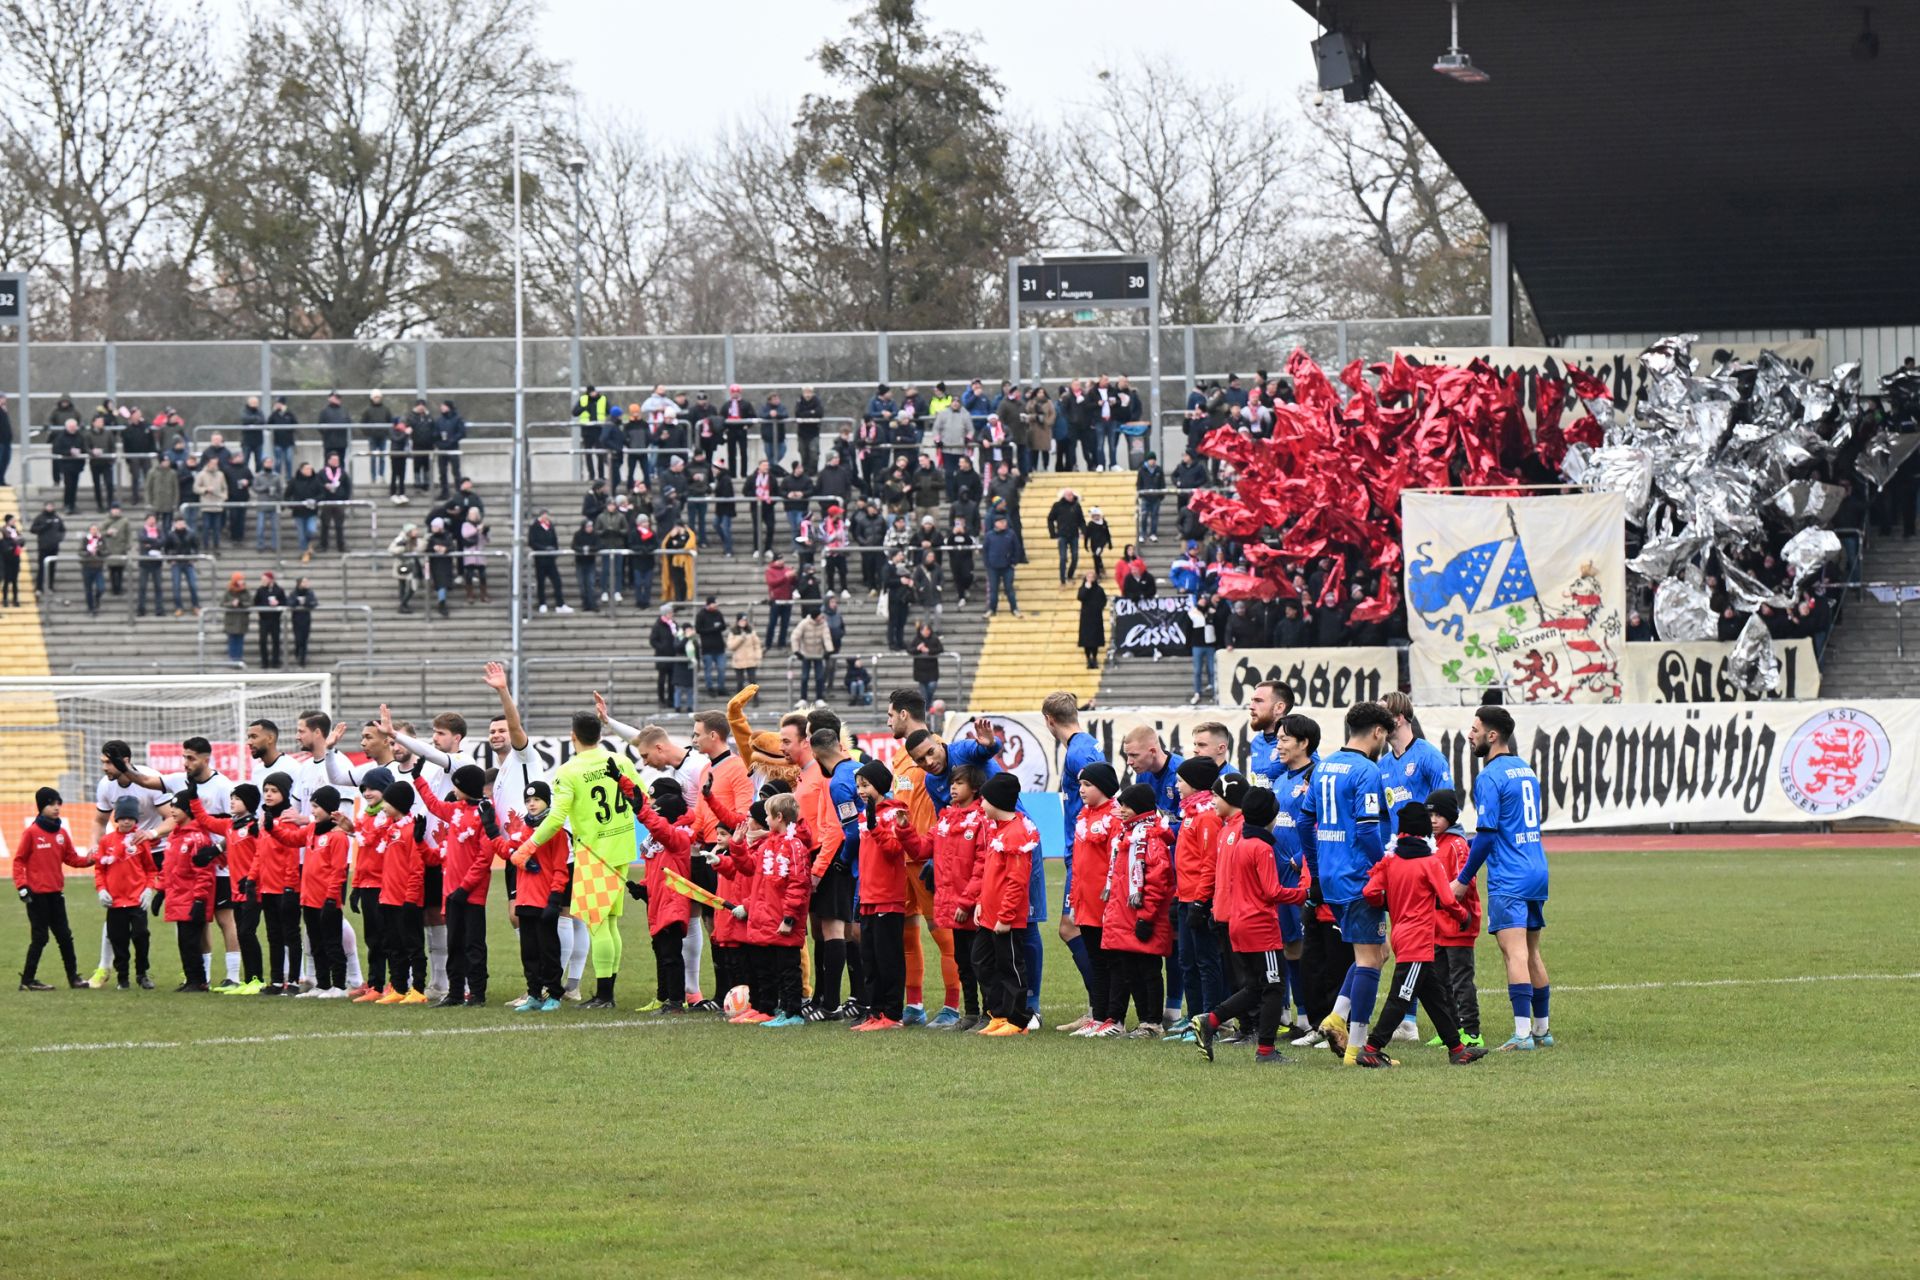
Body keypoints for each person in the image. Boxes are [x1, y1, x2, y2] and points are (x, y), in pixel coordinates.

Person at [520, 711, 647, 1009]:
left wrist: (527, 846)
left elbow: (555, 818)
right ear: (599, 735)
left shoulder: (569, 771)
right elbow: (642, 797)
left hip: (593, 852)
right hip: (622, 847)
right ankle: (607, 991)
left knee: (598, 924)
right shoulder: (621, 761)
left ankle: (604, 995)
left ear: (573, 735)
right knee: (611, 923)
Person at [1351, 802, 1488, 1068]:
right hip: (1418, 940)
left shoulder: (1390, 861)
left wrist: (1389, 903)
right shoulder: (1429, 862)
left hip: (1401, 934)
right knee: (1400, 997)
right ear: (1424, 831)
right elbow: (1448, 900)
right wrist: (1464, 917)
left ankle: (1457, 1049)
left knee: (1434, 996)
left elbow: (1370, 892)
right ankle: (1371, 1048)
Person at [1453, 704, 1553, 1051]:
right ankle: (1541, 1030)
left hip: (1509, 876)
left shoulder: (1489, 777)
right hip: (1536, 869)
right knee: (1531, 951)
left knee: (1514, 954)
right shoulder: (1525, 771)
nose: (1470, 734)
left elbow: (1488, 834)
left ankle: (1522, 1035)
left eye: (1474, 728)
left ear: (1491, 736)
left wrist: (1463, 878)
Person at [1192, 786, 1308, 1065]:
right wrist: (1303, 892)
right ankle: (1266, 1050)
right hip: (1260, 927)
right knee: (1275, 986)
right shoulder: (1262, 847)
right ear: (1272, 817)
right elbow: (1272, 891)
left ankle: (1210, 1020)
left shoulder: (1242, 843)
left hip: (1238, 923)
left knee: (1257, 987)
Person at [1312, 701, 1395, 1066]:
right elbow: (1366, 828)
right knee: (1369, 957)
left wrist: (1317, 865)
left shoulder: (1324, 766)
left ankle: (1336, 1016)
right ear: (1377, 731)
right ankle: (1358, 1050)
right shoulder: (1367, 770)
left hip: (1332, 874)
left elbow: (1304, 821)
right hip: (1359, 877)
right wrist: (1384, 866)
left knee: (1377, 952)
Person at [850, 760, 920, 1030]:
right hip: (867, 894)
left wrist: (874, 826)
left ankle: (892, 1014)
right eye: (858, 786)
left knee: (888, 956)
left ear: (879, 784)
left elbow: (893, 850)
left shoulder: (896, 811)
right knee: (870, 957)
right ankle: (876, 1012)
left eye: (865, 785)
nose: (861, 790)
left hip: (888, 896)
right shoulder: (864, 814)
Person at [1101, 783, 1175, 1038]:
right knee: (1132, 971)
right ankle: (1144, 1019)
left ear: (1140, 808)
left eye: (1126, 805)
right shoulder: (1127, 835)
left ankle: (1153, 1022)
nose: (1120, 810)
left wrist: (1146, 917)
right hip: (1127, 917)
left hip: (1145, 918)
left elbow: (1157, 883)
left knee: (1149, 971)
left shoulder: (1150, 839)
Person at [972, 772, 1038, 1036]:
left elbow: (1016, 881)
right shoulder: (997, 830)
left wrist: (1006, 916)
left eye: (984, 799)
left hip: (1005, 918)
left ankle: (1018, 1019)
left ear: (997, 801)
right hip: (988, 914)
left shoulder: (1016, 834)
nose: (980, 804)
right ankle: (997, 1014)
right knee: (981, 962)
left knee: (1010, 967)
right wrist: (980, 902)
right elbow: (990, 875)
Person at [1059, 761, 1120, 1036]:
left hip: (1105, 904)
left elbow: (1116, 865)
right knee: (1095, 961)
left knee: (1111, 964)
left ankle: (1114, 1019)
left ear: (1104, 788)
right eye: (1080, 784)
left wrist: (1112, 902)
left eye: (1088, 785)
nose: (1081, 790)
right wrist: (1074, 900)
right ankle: (1098, 1016)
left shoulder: (1115, 818)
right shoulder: (1084, 816)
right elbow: (1080, 867)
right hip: (1085, 904)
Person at [13, 787, 92, 990]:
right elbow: (19, 860)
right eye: (51, 804)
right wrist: (22, 886)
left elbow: (72, 859)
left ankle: (73, 978)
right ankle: (27, 980)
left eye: (58, 804)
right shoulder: (31, 832)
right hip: (36, 896)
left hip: (56, 895)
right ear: (41, 807)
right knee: (40, 938)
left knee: (65, 936)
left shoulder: (62, 833)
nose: (56, 808)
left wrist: (90, 859)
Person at [1422, 789, 1482, 1048]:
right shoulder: (1431, 843)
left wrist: (1438, 898)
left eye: (1439, 815)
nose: (1434, 820)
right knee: (1440, 980)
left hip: (1458, 924)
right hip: (1436, 925)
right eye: (1430, 815)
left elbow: (1463, 884)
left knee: (1461, 980)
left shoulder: (1457, 844)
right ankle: (1450, 1028)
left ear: (1450, 816)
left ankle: (1472, 1031)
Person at [92, 796, 159, 989]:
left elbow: (150, 869)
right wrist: (102, 889)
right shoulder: (106, 841)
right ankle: (122, 977)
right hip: (114, 902)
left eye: (130, 818)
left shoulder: (140, 840)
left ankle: (142, 974)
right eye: (123, 817)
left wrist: (148, 889)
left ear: (136, 820)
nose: (127, 821)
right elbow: (99, 869)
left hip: (136, 900)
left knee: (141, 936)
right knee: (118, 939)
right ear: (117, 819)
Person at [982, 513, 1020, 617]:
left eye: (1005, 521)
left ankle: (1014, 609)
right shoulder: (989, 535)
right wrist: (987, 564)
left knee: (1009, 589)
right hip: (993, 568)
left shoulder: (1011, 534)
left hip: (1007, 567)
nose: (1004, 524)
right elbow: (985, 551)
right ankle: (992, 609)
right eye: (1001, 522)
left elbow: (1017, 549)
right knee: (994, 590)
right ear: (996, 524)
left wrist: (1013, 562)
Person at [253, 572, 287, 670]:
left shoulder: (279, 590)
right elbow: (256, 602)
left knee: (276, 640)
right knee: (263, 640)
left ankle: (275, 661)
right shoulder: (260, 590)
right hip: (264, 619)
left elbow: (284, 602)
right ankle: (264, 661)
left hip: (275, 619)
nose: (263, 582)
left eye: (265, 579)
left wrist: (278, 603)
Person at [909, 621, 943, 706]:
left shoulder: (934, 639)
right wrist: (918, 649)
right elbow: (910, 650)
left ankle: (929, 703)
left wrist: (929, 651)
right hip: (920, 669)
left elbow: (940, 649)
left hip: (932, 668)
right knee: (923, 692)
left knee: (932, 686)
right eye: (924, 630)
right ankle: (927, 707)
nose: (926, 632)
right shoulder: (916, 639)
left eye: (927, 630)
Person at [288, 576, 318, 667]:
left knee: (304, 639)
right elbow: (290, 603)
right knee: (298, 639)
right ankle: (297, 652)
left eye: (307, 582)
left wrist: (306, 603)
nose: (306, 584)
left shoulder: (309, 592)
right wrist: (297, 602)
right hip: (296, 619)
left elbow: (314, 603)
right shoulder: (294, 593)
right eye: (304, 582)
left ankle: (303, 660)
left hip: (306, 618)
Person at [221, 573, 250, 663]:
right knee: (232, 640)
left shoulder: (246, 592)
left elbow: (250, 603)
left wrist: (241, 604)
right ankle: (232, 659)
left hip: (242, 620)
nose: (242, 582)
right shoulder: (229, 591)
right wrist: (231, 604)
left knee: (240, 641)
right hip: (231, 620)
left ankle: (239, 659)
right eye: (240, 580)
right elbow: (222, 603)